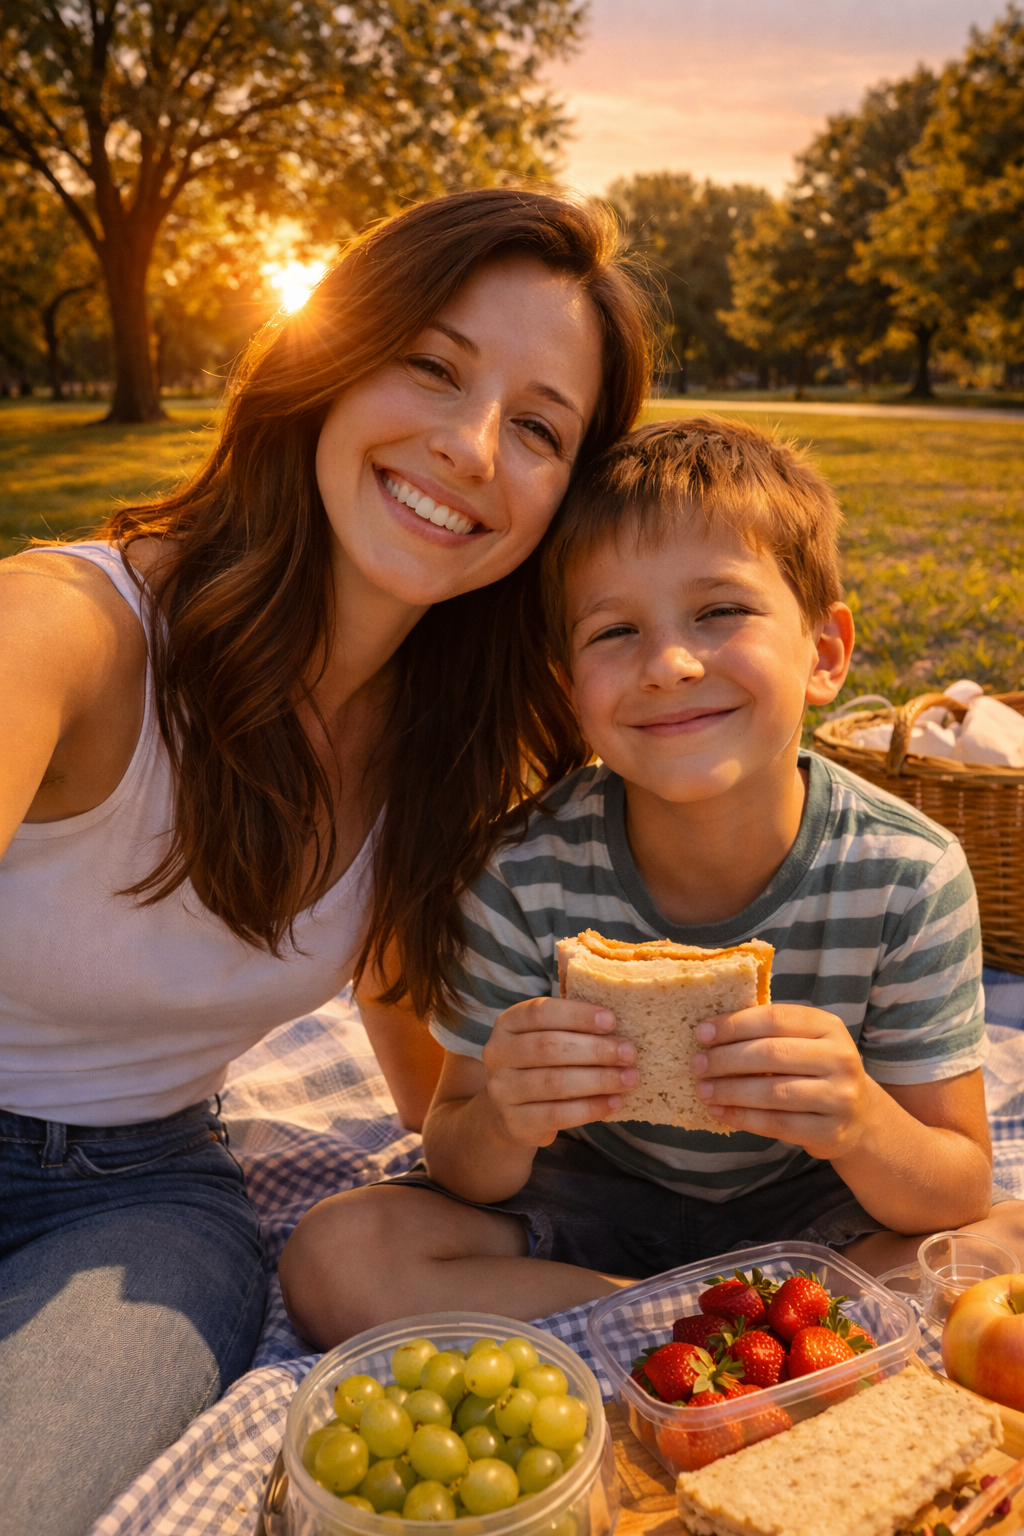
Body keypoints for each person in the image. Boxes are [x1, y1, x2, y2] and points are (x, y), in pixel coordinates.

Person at [0, 186, 653, 1536]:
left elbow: (438, 1101)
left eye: (537, 427)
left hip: (144, 1204)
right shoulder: (65, 632)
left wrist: (555, 1145)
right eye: (433, 365)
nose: (472, 448)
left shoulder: (449, 761)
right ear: (329, 360)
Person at [281, 415, 1024, 1345]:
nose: (670, 665)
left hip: (824, 1213)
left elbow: (953, 1178)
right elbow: (460, 1157)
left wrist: (861, 1121)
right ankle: (712, 1326)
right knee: (335, 1255)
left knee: (1009, 1246)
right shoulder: (520, 871)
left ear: (825, 654)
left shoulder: (907, 874)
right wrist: (506, 1116)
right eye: (616, 630)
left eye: (721, 611)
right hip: (590, 1206)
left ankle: (659, 1325)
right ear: (569, 692)